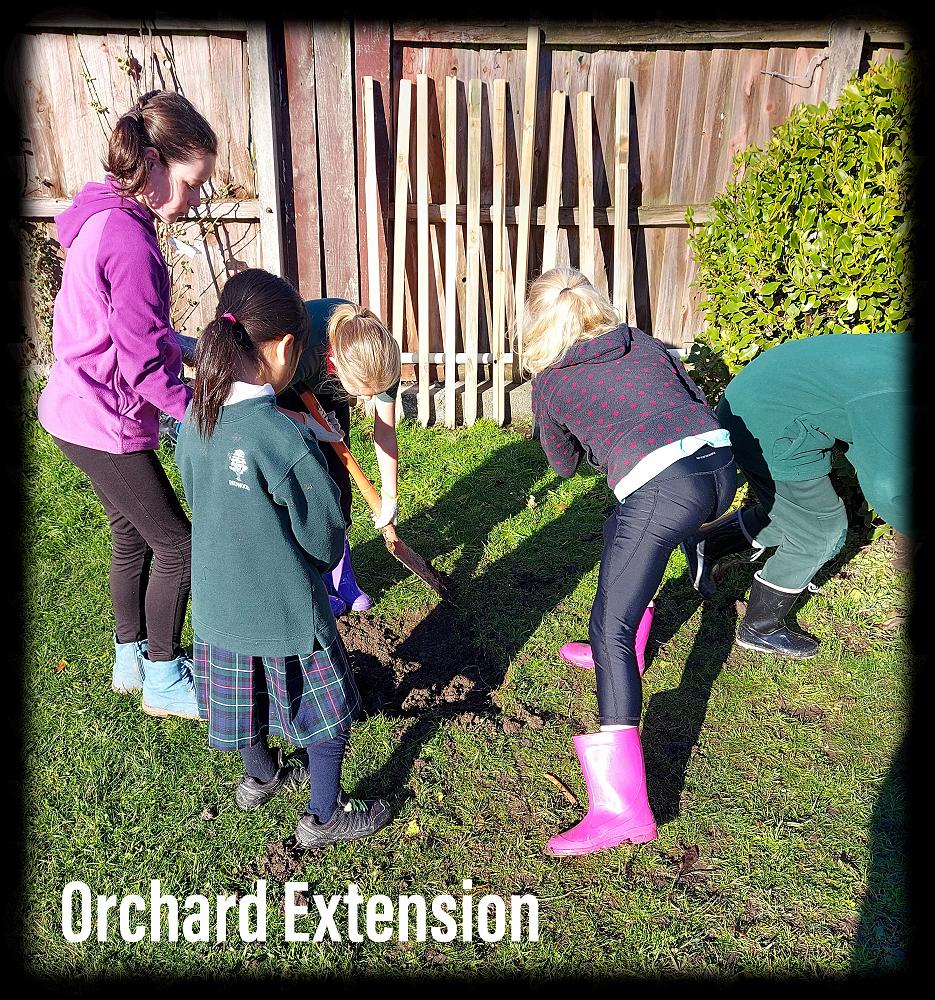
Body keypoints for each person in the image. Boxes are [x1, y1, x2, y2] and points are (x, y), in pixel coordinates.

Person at [174, 268, 392, 847]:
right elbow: (324, 540)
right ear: (287, 347)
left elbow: (195, 489)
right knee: (328, 714)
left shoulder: (196, 418)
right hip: (288, 616)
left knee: (242, 701)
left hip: (217, 611)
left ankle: (262, 777)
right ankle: (325, 816)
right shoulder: (285, 440)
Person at [523, 267, 736, 857]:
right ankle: (629, 647)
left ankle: (624, 810)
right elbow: (693, 397)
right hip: (720, 467)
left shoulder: (551, 382)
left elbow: (562, 463)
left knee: (607, 627)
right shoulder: (640, 340)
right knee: (622, 526)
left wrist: (589, 435)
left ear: (536, 325)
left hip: (667, 490)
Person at [37, 90, 217, 720]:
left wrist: (186, 346)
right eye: (192, 184)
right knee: (179, 546)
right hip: (103, 417)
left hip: (73, 406)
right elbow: (142, 368)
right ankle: (164, 678)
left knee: (130, 531)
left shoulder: (103, 212)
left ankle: (130, 659)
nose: (194, 201)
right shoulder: (132, 243)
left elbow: (131, 329)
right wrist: (204, 414)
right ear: (155, 162)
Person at [681, 332, 911, 658]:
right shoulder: (891, 390)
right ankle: (760, 628)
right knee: (820, 530)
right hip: (766, 422)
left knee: (789, 513)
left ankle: (707, 542)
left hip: (756, 402)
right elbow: (890, 487)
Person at [275, 300, 401, 616]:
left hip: (329, 381)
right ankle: (311, 580)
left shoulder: (381, 356)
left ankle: (341, 573)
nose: (368, 400)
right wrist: (306, 422)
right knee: (303, 477)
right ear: (336, 363)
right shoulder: (302, 347)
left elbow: (385, 429)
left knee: (337, 477)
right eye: (363, 393)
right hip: (279, 388)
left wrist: (389, 497)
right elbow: (257, 406)